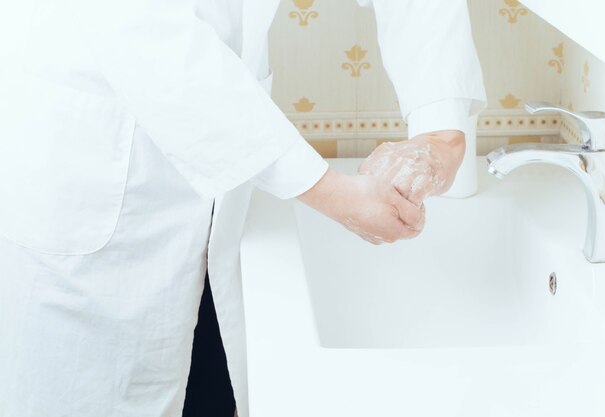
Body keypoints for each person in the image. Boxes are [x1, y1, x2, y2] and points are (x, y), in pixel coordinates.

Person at [0, 0, 485, 416]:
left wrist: (440, 131)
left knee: (209, 385)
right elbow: (147, 33)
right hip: (91, 186)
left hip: (220, 193)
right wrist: (332, 194)